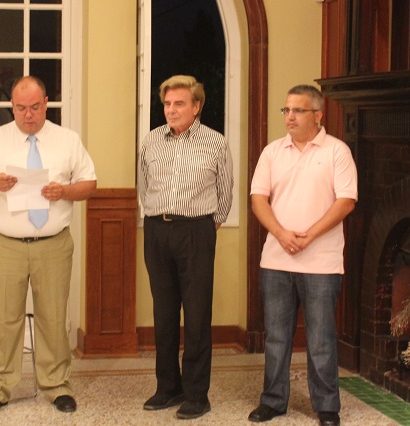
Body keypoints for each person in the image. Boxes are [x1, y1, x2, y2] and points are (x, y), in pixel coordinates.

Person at [0, 75, 97, 415]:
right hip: (6, 245)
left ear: (46, 104)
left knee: (53, 319)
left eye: (35, 107)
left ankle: (57, 385)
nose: (28, 115)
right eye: (21, 108)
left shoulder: (67, 140)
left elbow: (89, 184)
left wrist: (63, 191)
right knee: (6, 320)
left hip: (53, 244)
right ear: (12, 106)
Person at [248, 85, 357, 426]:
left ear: (318, 115)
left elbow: (346, 201)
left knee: (321, 338)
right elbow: (258, 198)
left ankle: (326, 407)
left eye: (298, 110)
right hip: (276, 260)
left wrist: (309, 235)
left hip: (322, 263)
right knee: (277, 336)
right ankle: (273, 400)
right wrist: (282, 234)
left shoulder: (337, 151)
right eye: (286, 110)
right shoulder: (272, 152)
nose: (290, 117)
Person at [139, 75, 233, 420]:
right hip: (157, 230)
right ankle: (168, 387)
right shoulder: (151, 140)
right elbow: (143, 185)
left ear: (196, 106)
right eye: (167, 104)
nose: (171, 110)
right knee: (163, 314)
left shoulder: (215, 142)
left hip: (196, 231)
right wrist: (156, 217)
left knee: (196, 315)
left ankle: (196, 394)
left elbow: (225, 193)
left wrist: (206, 227)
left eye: (179, 103)